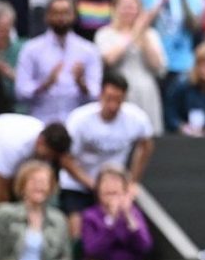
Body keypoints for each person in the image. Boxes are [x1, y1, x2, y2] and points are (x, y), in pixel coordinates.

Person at [60, 72, 155, 238]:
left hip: (113, 187)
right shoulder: (80, 119)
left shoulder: (136, 118)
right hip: (78, 185)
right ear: (100, 95)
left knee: (121, 228)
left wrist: (132, 180)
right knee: (77, 231)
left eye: (119, 100)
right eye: (109, 98)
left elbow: (146, 145)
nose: (113, 105)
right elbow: (65, 159)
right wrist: (92, 184)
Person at [14, 0, 102, 124]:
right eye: (56, 13)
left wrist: (81, 83)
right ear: (47, 17)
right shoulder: (31, 49)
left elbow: (96, 95)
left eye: (66, 13)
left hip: (76, 123)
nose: (61, 18)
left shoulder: (88, 50)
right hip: (41, 121)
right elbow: (21, 92)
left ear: (74, 16)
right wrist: (44, 85)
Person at [137, 0, 205, 93]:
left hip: (182, 63)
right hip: (152, 61)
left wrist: (183, 1)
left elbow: (195, 27)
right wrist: (157, 7)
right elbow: (135, 27)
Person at [95, 0, 166, 135]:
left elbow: (158, 66)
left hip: (146, 90)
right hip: (118, 90)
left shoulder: (151, 34)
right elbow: (110, 59)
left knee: (147, 134)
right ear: (115, 9)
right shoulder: (105, 33)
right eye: (125, 7)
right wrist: (133, 34)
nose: (129, 11)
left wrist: (143, 35)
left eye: (133, 7)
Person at [0, 160, 70, 260]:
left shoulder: (59, 219)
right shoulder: (5, 214)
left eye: (44, 181)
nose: (39, 186)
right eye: (34, 181)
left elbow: (64, 259)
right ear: (23, 185)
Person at [80, 165, 153, 260]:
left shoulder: (134, 213)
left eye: (115, 181)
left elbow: (144, 246)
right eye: (105, 181)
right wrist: (111, 220)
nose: (110, 185)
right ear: (98, 189)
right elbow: (92, 251)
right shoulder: (90, 216)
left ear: (124, 190)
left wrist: (128, 217)